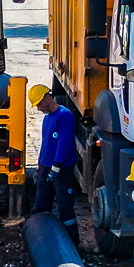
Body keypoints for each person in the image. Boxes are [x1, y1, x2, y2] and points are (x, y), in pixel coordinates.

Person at [31, 84, 80, 242]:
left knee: (65, 207)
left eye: (39, 104)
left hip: (62, 170)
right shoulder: (48, 118)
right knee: (41, 205)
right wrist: (41, 169)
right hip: (46, 166)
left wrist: (56, 167)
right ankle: (43, 241)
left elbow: (64, 144)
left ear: (47, 97)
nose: (38, 108)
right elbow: (46, 144)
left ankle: (72, 242)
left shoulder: (64, 116)